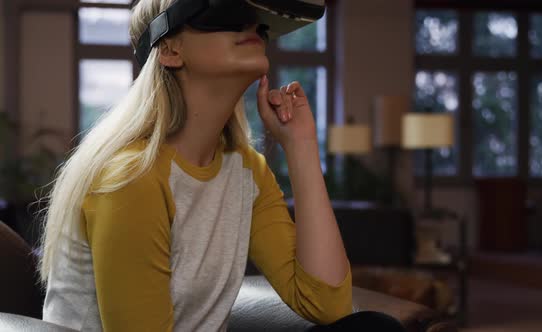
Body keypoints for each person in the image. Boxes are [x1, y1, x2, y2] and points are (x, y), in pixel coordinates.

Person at [38, 0, 406, 331]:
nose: (250, 28)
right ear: (169, 49)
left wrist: (301, 145)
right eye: (226, 12)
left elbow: (327, 305)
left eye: (259, 24)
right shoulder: (132, 179)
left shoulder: (246, 170)